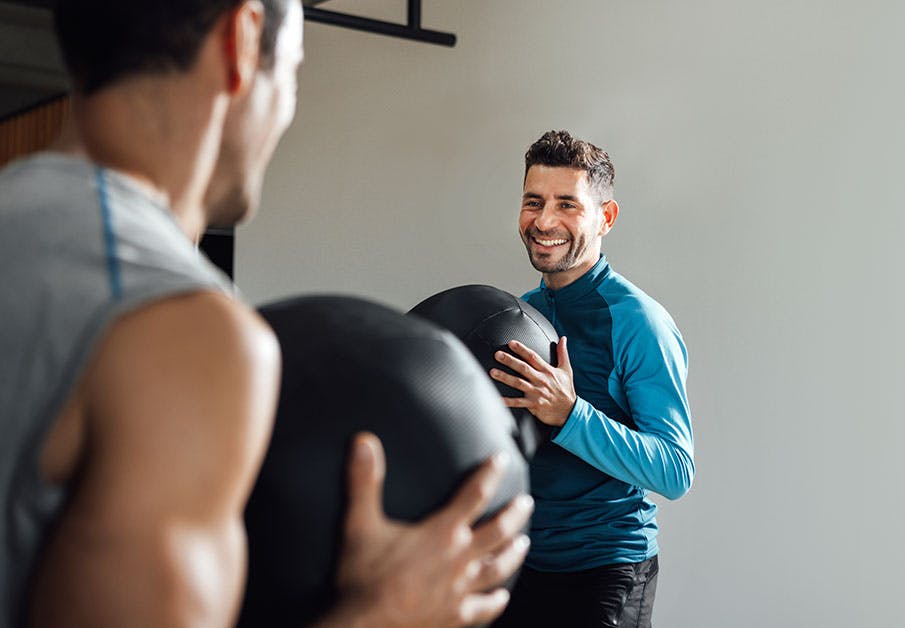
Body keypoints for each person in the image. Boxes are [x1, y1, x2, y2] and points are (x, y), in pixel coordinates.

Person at [0, 1, 531, 626]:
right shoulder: (178, 328)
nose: (286, 106)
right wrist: (386, 614)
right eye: (294, 71)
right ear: (242, 39)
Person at [489, 130, 695, 627]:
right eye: (533, 201)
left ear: (606, 217)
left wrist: (571, 414)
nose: (544, 221)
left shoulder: (638, 321)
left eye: (567, 205)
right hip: (524, 566)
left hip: (607, 574)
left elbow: (675, 470)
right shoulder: (520, 314)